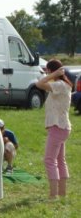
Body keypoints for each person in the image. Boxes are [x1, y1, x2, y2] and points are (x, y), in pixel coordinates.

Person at [35, 59, 72, 200]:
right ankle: (61, 193)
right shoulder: (63, 85)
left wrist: (53, 74)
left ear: (52, 71)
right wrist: (53, 74)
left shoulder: (60, 85)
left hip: (58, 127)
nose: (46, 73)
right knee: (60, 160)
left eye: (47, 70)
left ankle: (53, 195)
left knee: (49, 160)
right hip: (62, 127)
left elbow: (39, 84)